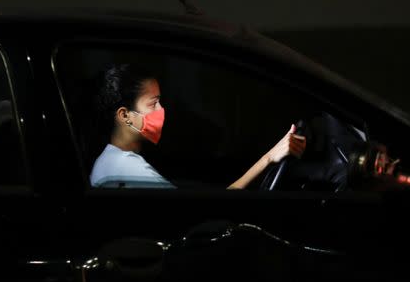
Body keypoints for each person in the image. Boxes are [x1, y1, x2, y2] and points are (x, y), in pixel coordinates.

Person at [88, 64, 306, 189]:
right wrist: (269, 158)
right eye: (153, 103)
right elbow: (201, 215)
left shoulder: (110, 160)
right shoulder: (125, 168)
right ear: (125, 115)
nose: (161, 110)